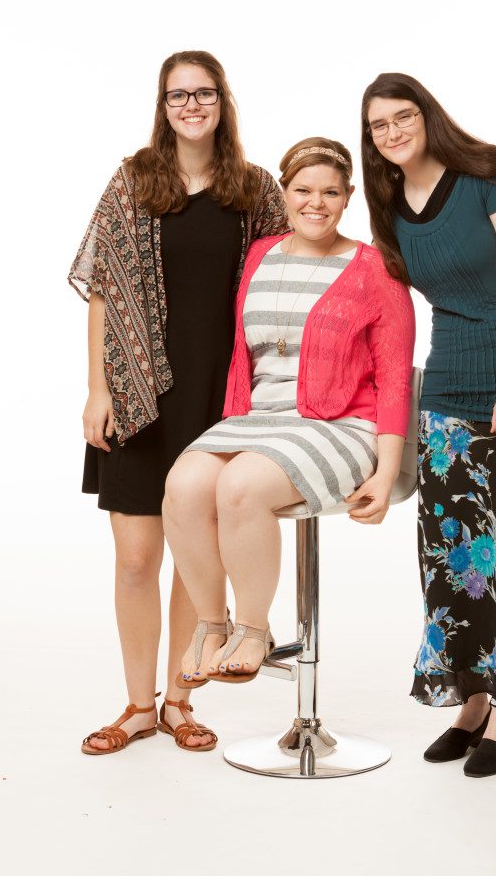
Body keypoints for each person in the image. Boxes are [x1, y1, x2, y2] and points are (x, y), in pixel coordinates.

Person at [361, 73, 496, 777]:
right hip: (448, 388)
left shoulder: (489, 177)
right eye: (377, 126)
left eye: (402, 117)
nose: (392, 132)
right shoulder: (390, 203)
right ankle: (471, 699)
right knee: (454, 558)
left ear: (426, 116)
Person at [69, 50, 287, 754]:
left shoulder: (253, 190)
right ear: (162, 107)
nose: (190, 105)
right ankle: (136, 706)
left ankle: (180, 702)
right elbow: (102, 286)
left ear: (222, 101)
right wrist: (98, 388)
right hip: (136, 394)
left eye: (203, 93)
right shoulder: (133, 180)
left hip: (218, 395)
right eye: (176, 96)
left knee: (197, 555)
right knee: (136, 558)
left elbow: (286, 279)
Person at [162, 138, 415, 685]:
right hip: (258, 420)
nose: (315, 203)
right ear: (285, 193)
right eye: (303, 190)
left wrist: (389, 469)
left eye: (330, 192)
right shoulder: (261, 254)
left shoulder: (377, 269)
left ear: (350, 197)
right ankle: (212, 623)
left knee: (241, 487)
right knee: (183, 485)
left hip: (342, 425)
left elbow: (395, 378)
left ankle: (254, 628)